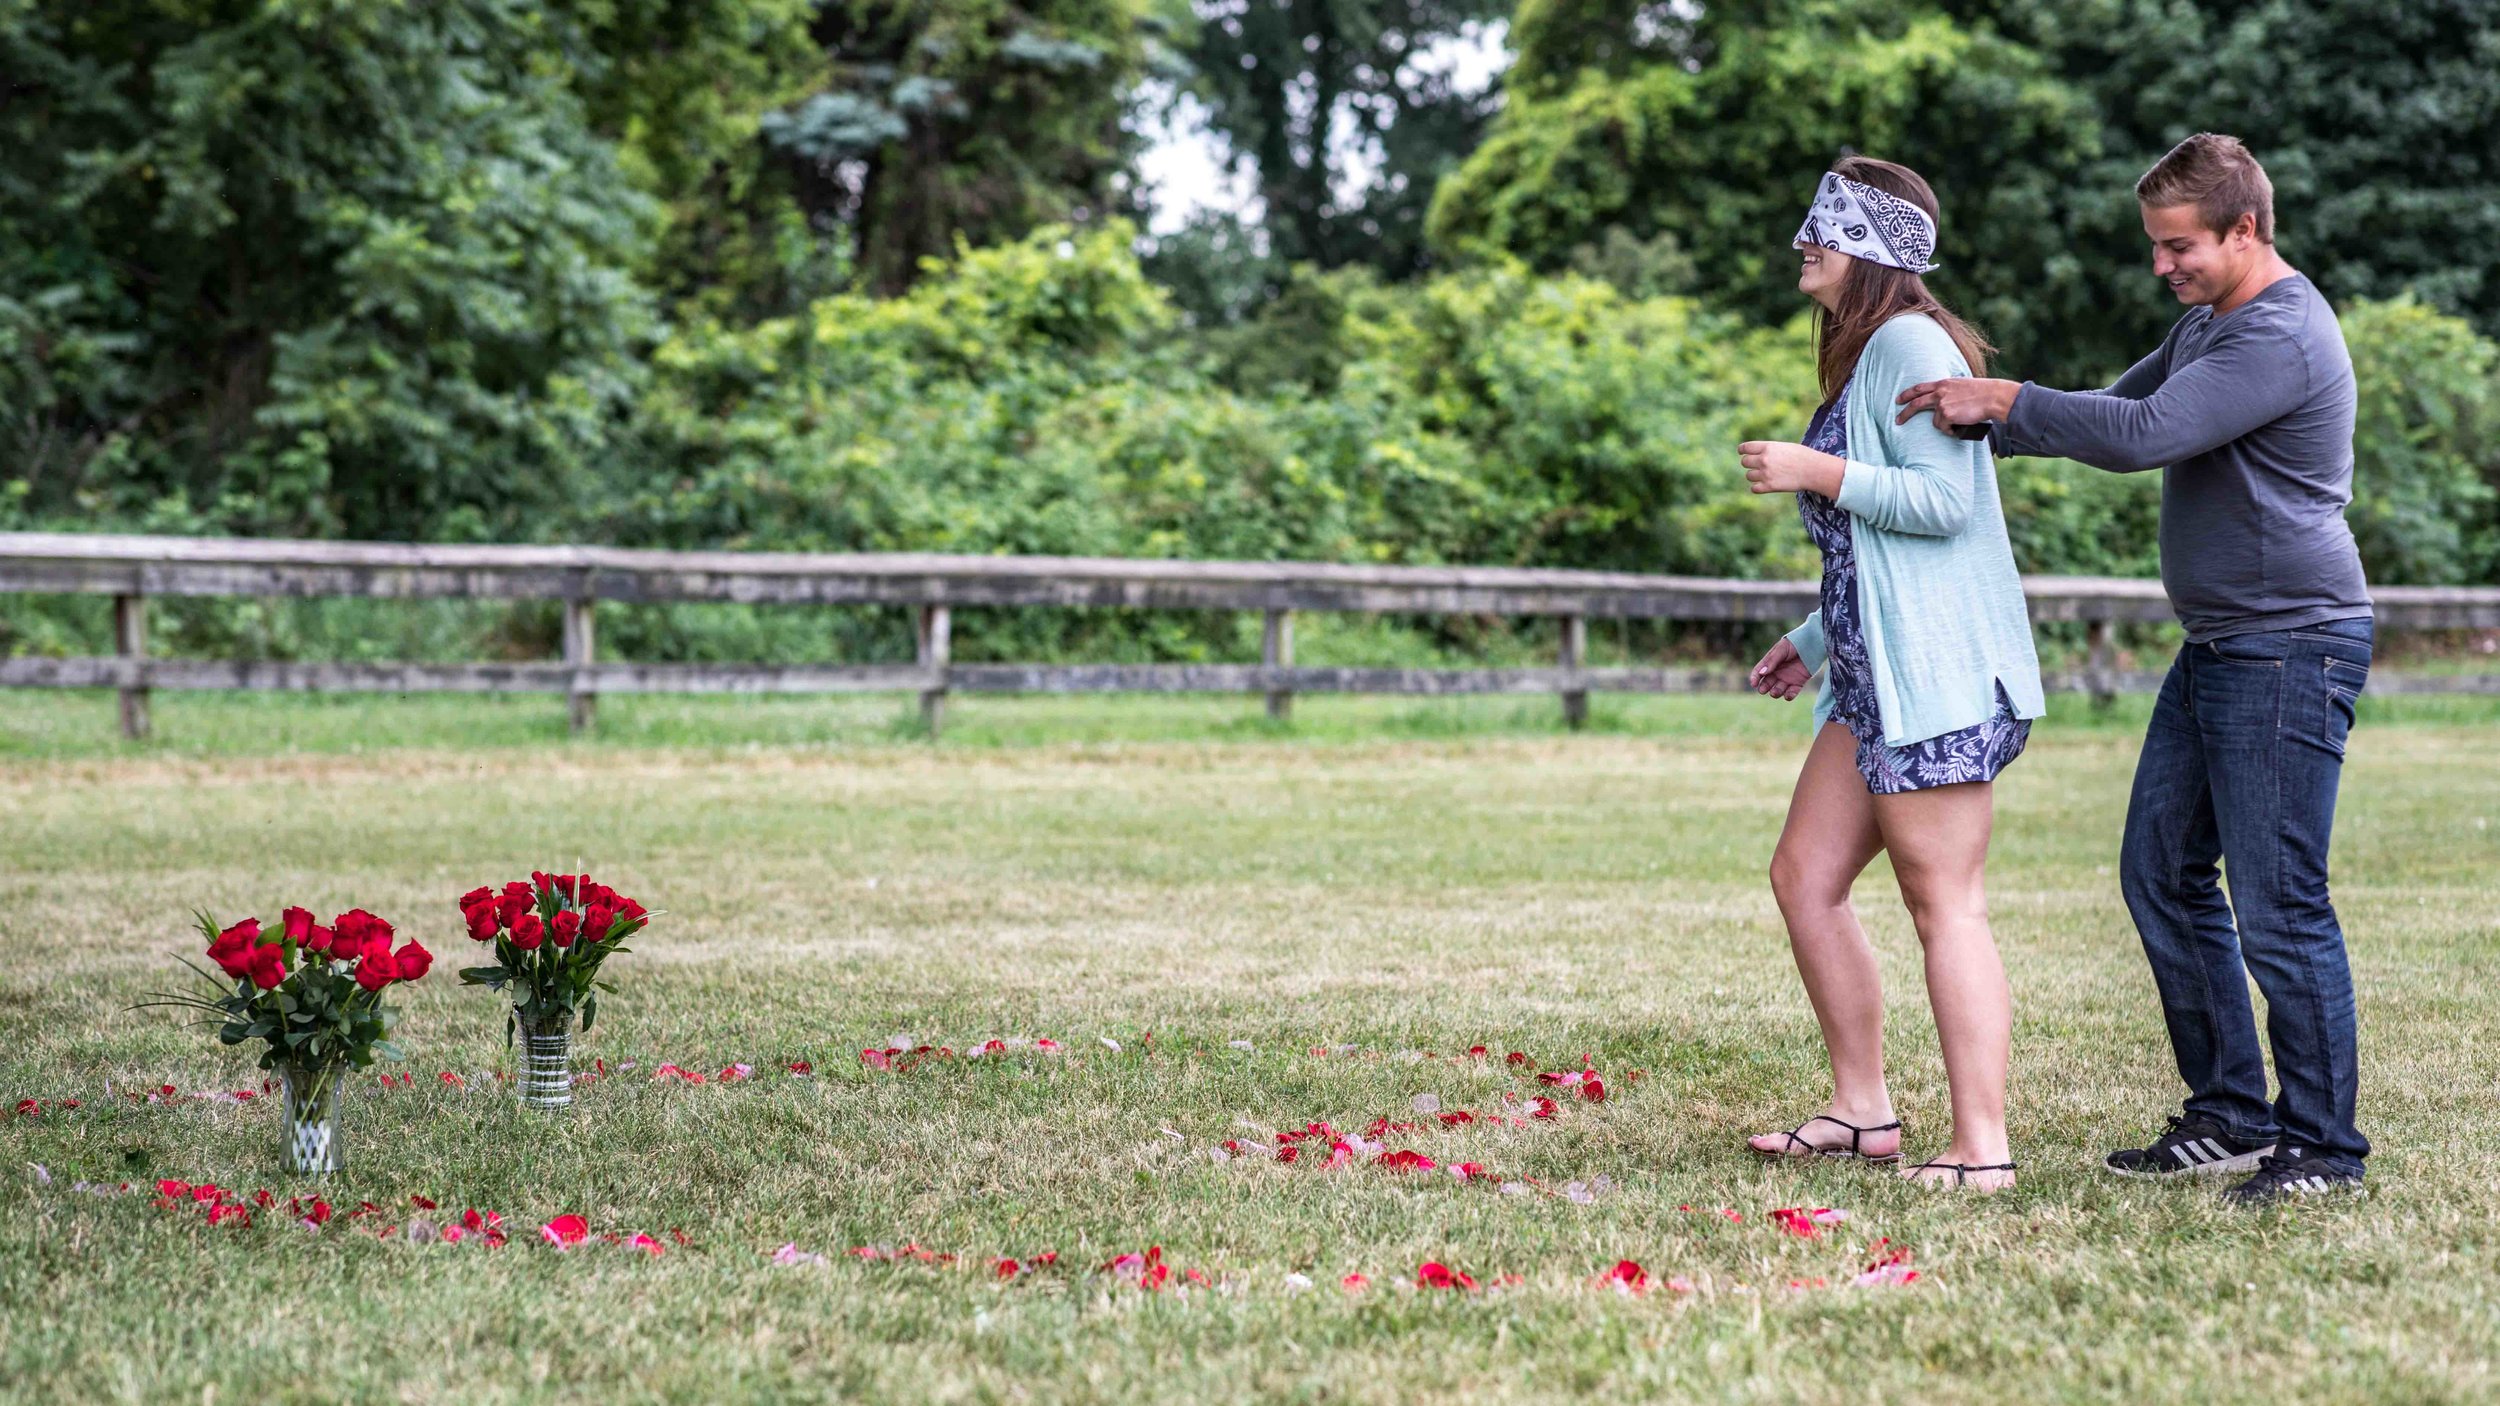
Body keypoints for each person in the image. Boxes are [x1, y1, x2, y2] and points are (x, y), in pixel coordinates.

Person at [1894, 133, 2374, 1204]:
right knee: (2159, 868)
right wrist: (1966, 423)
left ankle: (2324, 1150)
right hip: (2222, 643)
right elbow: (2105, 406)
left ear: (2244, 230)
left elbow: (2145, 433)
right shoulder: (2209, 321)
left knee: (2280, 901)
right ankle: (2231, 1113)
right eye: (2155, 248)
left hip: (2290, 642)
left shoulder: (2281, 332)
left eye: (2178, 247)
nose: (2161, 266)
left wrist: (2008, 400)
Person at [1738, 157, 2048, 1192]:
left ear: (1876, 245)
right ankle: (1862, 1110)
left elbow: (1940, 506)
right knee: (1804, 878)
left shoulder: (1912, 341)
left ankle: (1981, 1145)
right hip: (1873, 673)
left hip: (1942, 679)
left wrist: (1813, 467)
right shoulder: (1869, 352)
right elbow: (1870, 554)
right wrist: (1812, 638)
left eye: (1825, 224)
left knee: (1942, 901)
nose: (1802, 241)